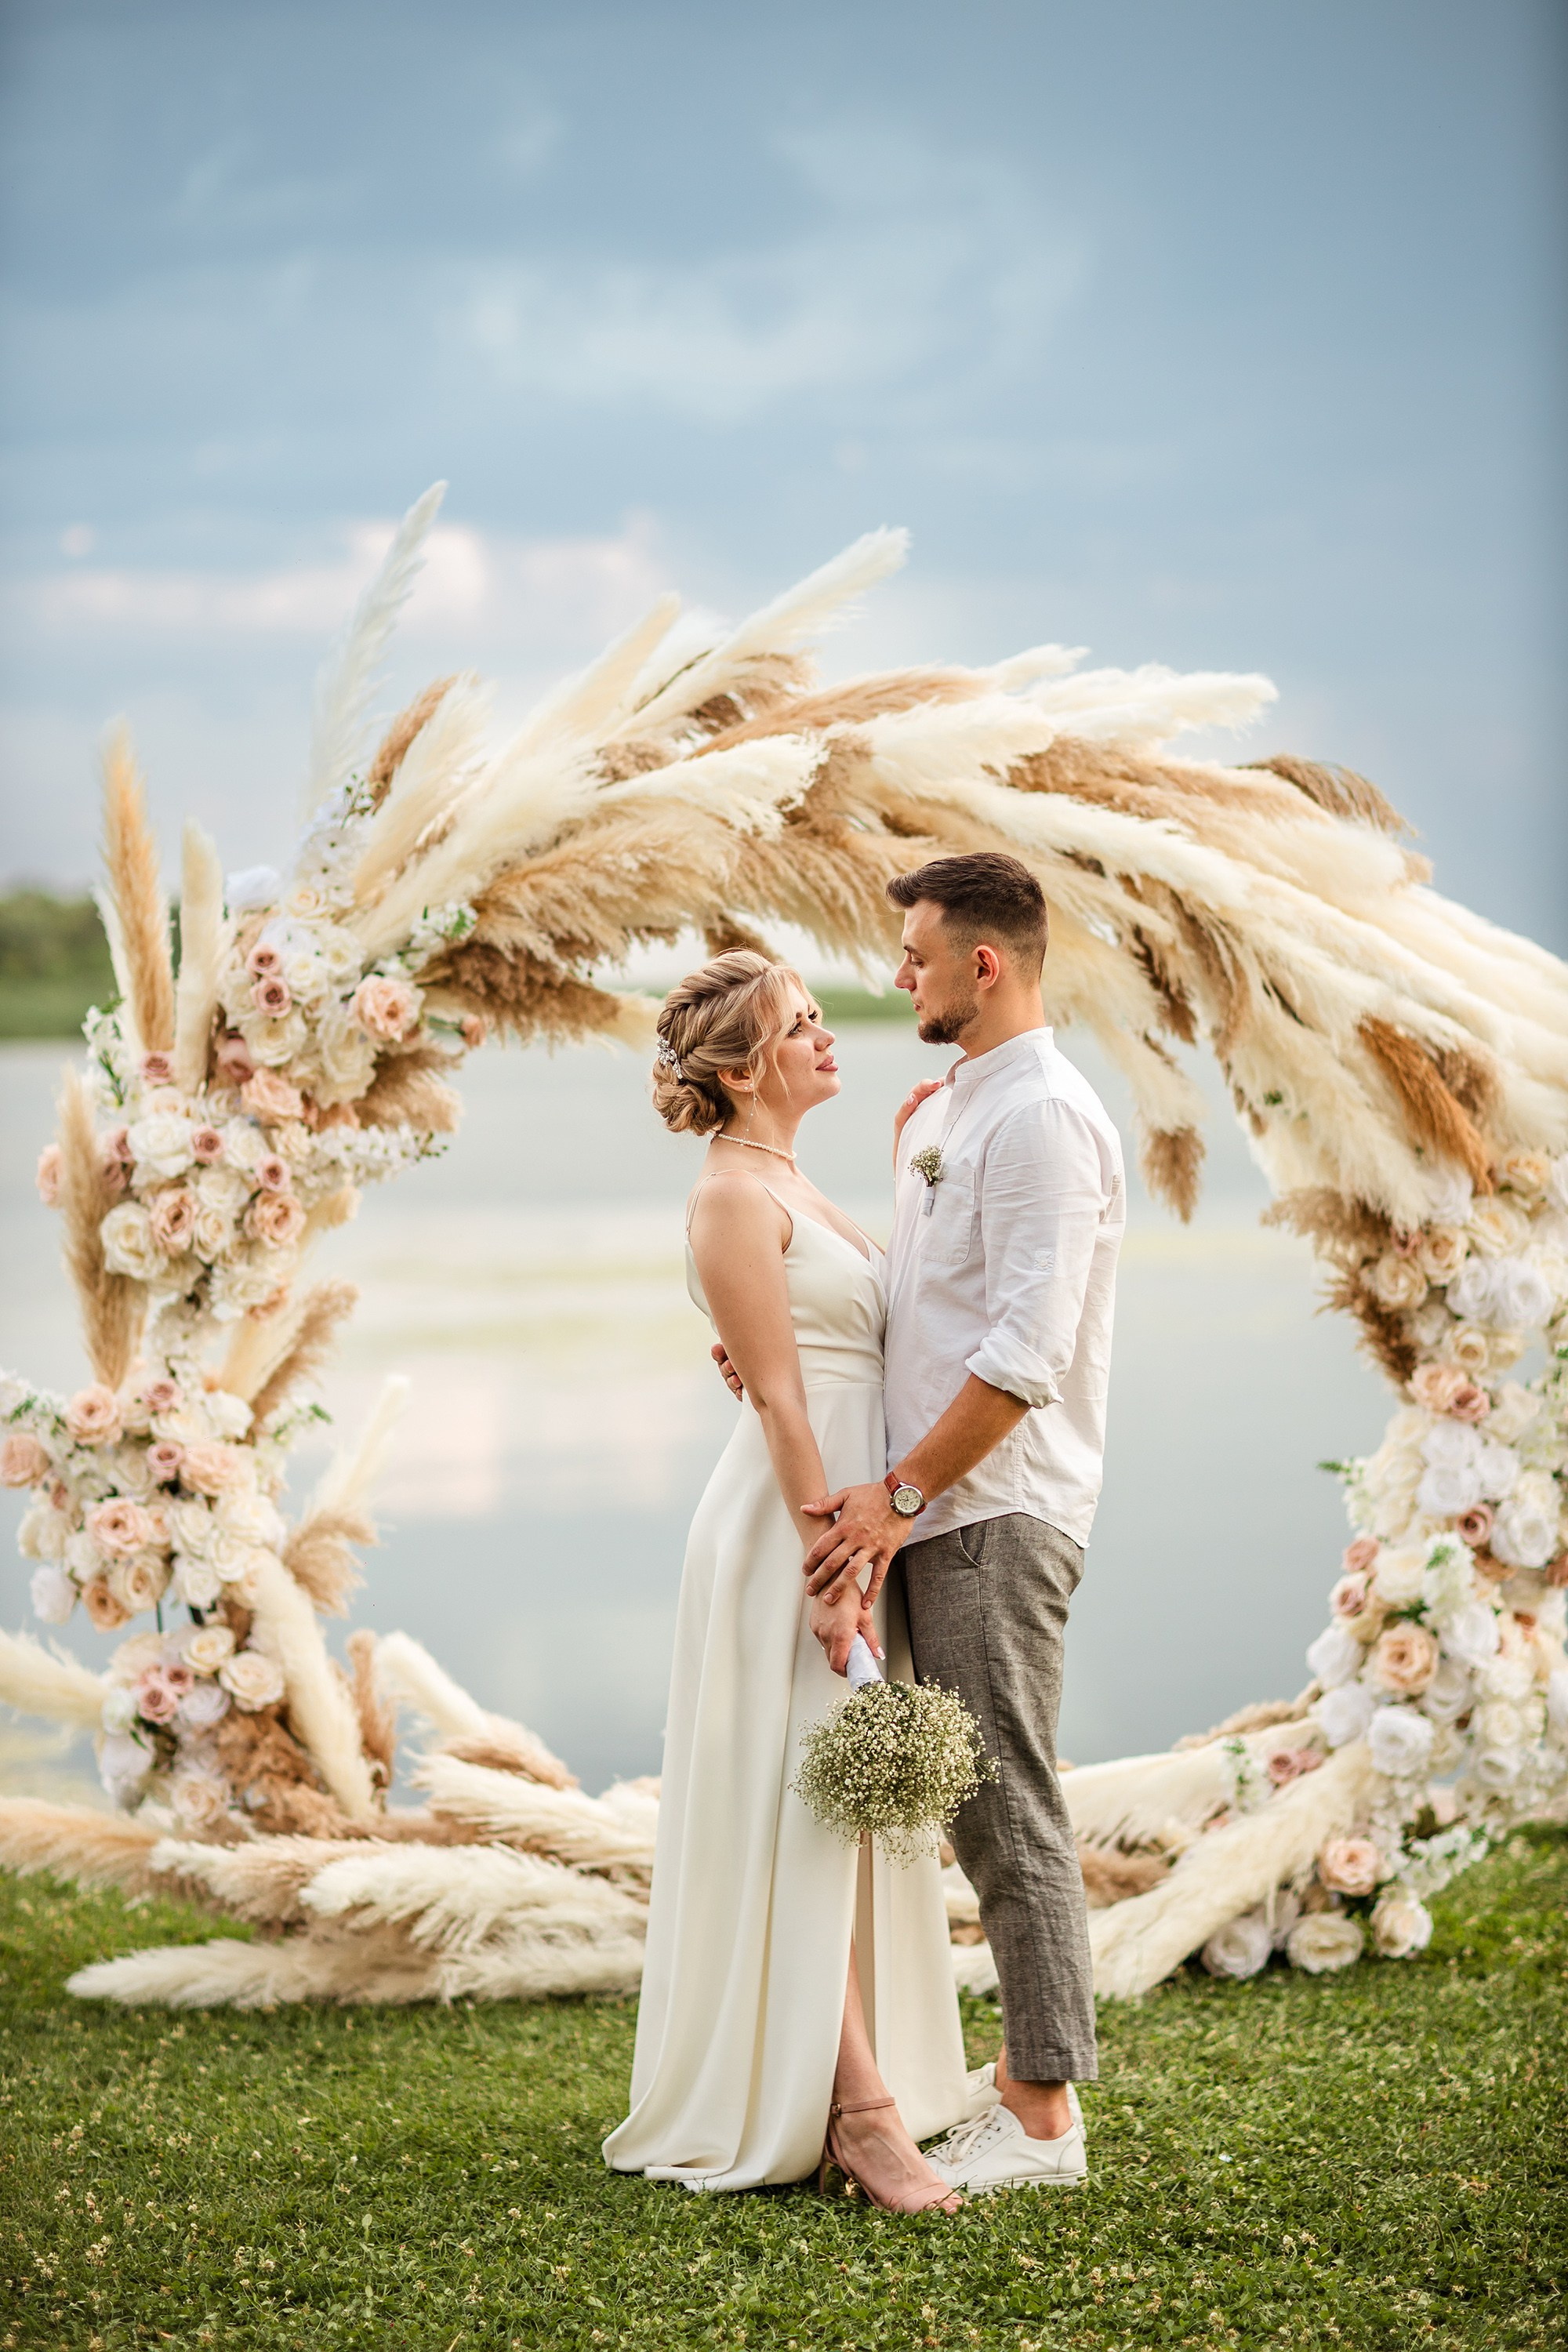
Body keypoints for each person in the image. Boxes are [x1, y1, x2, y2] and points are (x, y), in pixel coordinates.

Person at [602, 950, 976, 2209]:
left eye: (819, 1018)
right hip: (787, 1535)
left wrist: (921, 1162)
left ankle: (860, 2082)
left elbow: (841, 1345)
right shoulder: (727, 1197)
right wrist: (828, 1570)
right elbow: (776, 1398)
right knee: (805, 1805)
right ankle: (859, 2115)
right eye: (801, 1025)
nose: (827, 1037)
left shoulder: (793, 1181)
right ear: (742, 1066)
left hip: (847, 1524)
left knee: (845, 1809)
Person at [793, 852, 1125, 2194]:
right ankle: (1004, 2083)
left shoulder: (1041, 1117)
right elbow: (926, 1312)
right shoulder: (957, 1108)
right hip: (940, 1507)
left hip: (995, 1506)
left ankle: (1043, 2118)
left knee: (1002, 1800)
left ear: (984, 966)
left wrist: (899, 1498)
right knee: (962, 1802)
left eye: (917, 955)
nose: (899, 976)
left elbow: (1026, 1354)